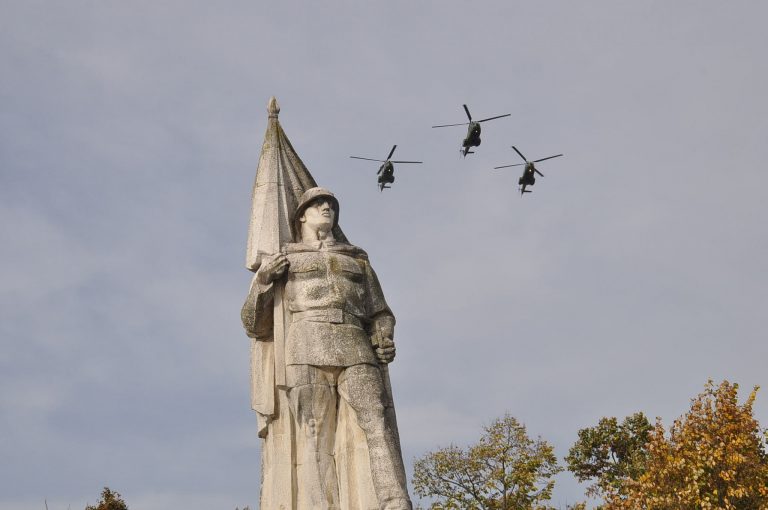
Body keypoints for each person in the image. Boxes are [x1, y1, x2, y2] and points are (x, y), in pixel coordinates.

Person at [242, 187, 412, 510]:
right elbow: (253, 323)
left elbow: (381, 312)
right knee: (314, 435)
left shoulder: (356, 260)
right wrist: (264, 279)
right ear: (301, 215)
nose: (325, 207)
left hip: (355, 345)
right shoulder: (285, 259)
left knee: (377, 423)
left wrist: (383, 334)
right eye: (317, 203)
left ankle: (394, 501)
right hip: (306, 346)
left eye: (330, 204)